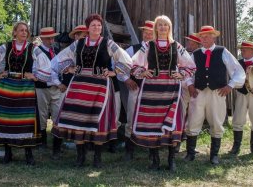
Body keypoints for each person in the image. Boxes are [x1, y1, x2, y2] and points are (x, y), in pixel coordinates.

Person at [51, 14, 132, 168]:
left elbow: (126, 60)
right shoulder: (78, 43)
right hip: (79, 85)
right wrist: (69, 67)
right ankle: (80, 157)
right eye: (93, 25)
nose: (97, 28)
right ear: (88, 28)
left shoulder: (108, 43)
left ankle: (97, 158)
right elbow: (60, 58)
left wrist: (114, 72)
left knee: (98, 121)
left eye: (99, 25)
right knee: (78, 119)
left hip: (100, 86)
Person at [130, 15, 196, 172]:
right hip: (151, 89)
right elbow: (133, 62)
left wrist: (181, 74)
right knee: (152, 121)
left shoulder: (177, 46)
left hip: (171, 88)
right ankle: (155, 159)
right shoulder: (148, 45)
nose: (162, 27)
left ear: (169, 28)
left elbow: (190, 65)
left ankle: (171, 159)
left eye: (165, 25)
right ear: (155, 28)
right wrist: (142, 71)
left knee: (173, 122)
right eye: (159, 25)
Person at [0, 21, 52, 165]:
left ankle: (28, 154)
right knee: (5, 119)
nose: (24, 32)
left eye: (26, 30)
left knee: (25, 121)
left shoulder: (33, 48)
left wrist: (34, 76)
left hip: (25, 88)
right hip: (7, 86)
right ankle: (8, 153)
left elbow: (46, 67)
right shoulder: (5, 47)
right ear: (14, 32)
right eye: (21, 30)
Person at [185, 26, 245, 165]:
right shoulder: (196, 53)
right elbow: (188, 72)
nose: (204, 39)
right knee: (193, 119)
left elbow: (238, 71)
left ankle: (214, 155)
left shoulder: (222, 51)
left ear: (213, 37)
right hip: (198, 92)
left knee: (217, 121)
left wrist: (230, 85)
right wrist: (190, 84)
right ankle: (190, 153)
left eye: (207, 36)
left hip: (217, 93)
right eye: (202, 36)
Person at [51, 25, 88, 159]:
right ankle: (56, 149)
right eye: (84, 36)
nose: (86, 39)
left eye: (87, 36)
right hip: (67, 89)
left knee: (81, 119)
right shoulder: (67, 52)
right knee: (61, 118)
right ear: (76, 36)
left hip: (83, 91)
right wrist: (58, 83)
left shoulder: (90, 52)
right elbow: (53, 68)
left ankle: (81, 152)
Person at [120, 20, 154, 160]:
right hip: (136, 89)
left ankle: (151, 149)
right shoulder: (132, 49)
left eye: (151, 33)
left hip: (153, 91)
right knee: (131, 118)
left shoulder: (159, 51)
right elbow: (120, 65)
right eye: (146, 32)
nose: (147, 34)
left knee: (152, 119)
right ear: (142, 33)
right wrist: (126, 79)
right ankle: (129, 150)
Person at [175, 33, 202, 153]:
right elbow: (181, 71)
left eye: (192, 43)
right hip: (184, 87)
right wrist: (189, 84)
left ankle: (190, 145)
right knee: (180, 114)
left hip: (198, 89)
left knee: (194, 115)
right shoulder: (183, 54)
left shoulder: (200, 55)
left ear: (197, 45)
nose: (189, 45)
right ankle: (176, 143)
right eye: (188, 42)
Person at [34, 27, 60, 149]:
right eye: (49, 38)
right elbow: (35, 71)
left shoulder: (55, 51)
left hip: (55, 88)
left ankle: (57, 143)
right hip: (42, 88)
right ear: (42, 39)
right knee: (42, 113)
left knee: (57, 113)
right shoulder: (37, 51)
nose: (51, 40)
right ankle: (42, 141)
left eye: (52, 38)